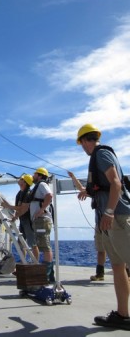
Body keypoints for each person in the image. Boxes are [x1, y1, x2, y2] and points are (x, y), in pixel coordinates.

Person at [77, 123, 130, 330]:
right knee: (117, 266)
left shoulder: (101, 154)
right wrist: (88, 192)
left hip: (116, 217)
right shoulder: (97, 157)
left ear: (84, 141)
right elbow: (105, 187)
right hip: (107, 220)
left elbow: (116, 183)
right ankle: (123, 315)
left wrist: (108, 212)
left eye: (81, 143)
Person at [68, 171, 107, 281]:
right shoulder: (93, 192)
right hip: (99, 223)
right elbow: (81, 188)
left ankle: (127, 272)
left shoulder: (106, 190)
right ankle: (100, 273)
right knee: (100, 249)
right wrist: (73, 177)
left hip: (109, 222)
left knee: (118, 249)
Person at [1, 174, 39, 260]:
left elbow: (24, 208)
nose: (19, 179)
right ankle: (23, 261)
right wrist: (15, 216)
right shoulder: (20, 193)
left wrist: (8, 206)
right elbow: (19, 208)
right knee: (21, 243)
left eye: (21, 178)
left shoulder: (28, 193)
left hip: (29, 222)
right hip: (22, 220)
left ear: (25, 182)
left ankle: (36, 264)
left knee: (32, 243)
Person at [29, 167, 54, 282]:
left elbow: (49, 195)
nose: (33, 176)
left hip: (42, 219)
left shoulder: (42, 184)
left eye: (34, 174)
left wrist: (41, 209)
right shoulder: (38, 185)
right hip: (39, 221)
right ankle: (49, 275)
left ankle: (47, 276)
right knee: (43, 246)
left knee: (45, 247)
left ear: (39, 175)